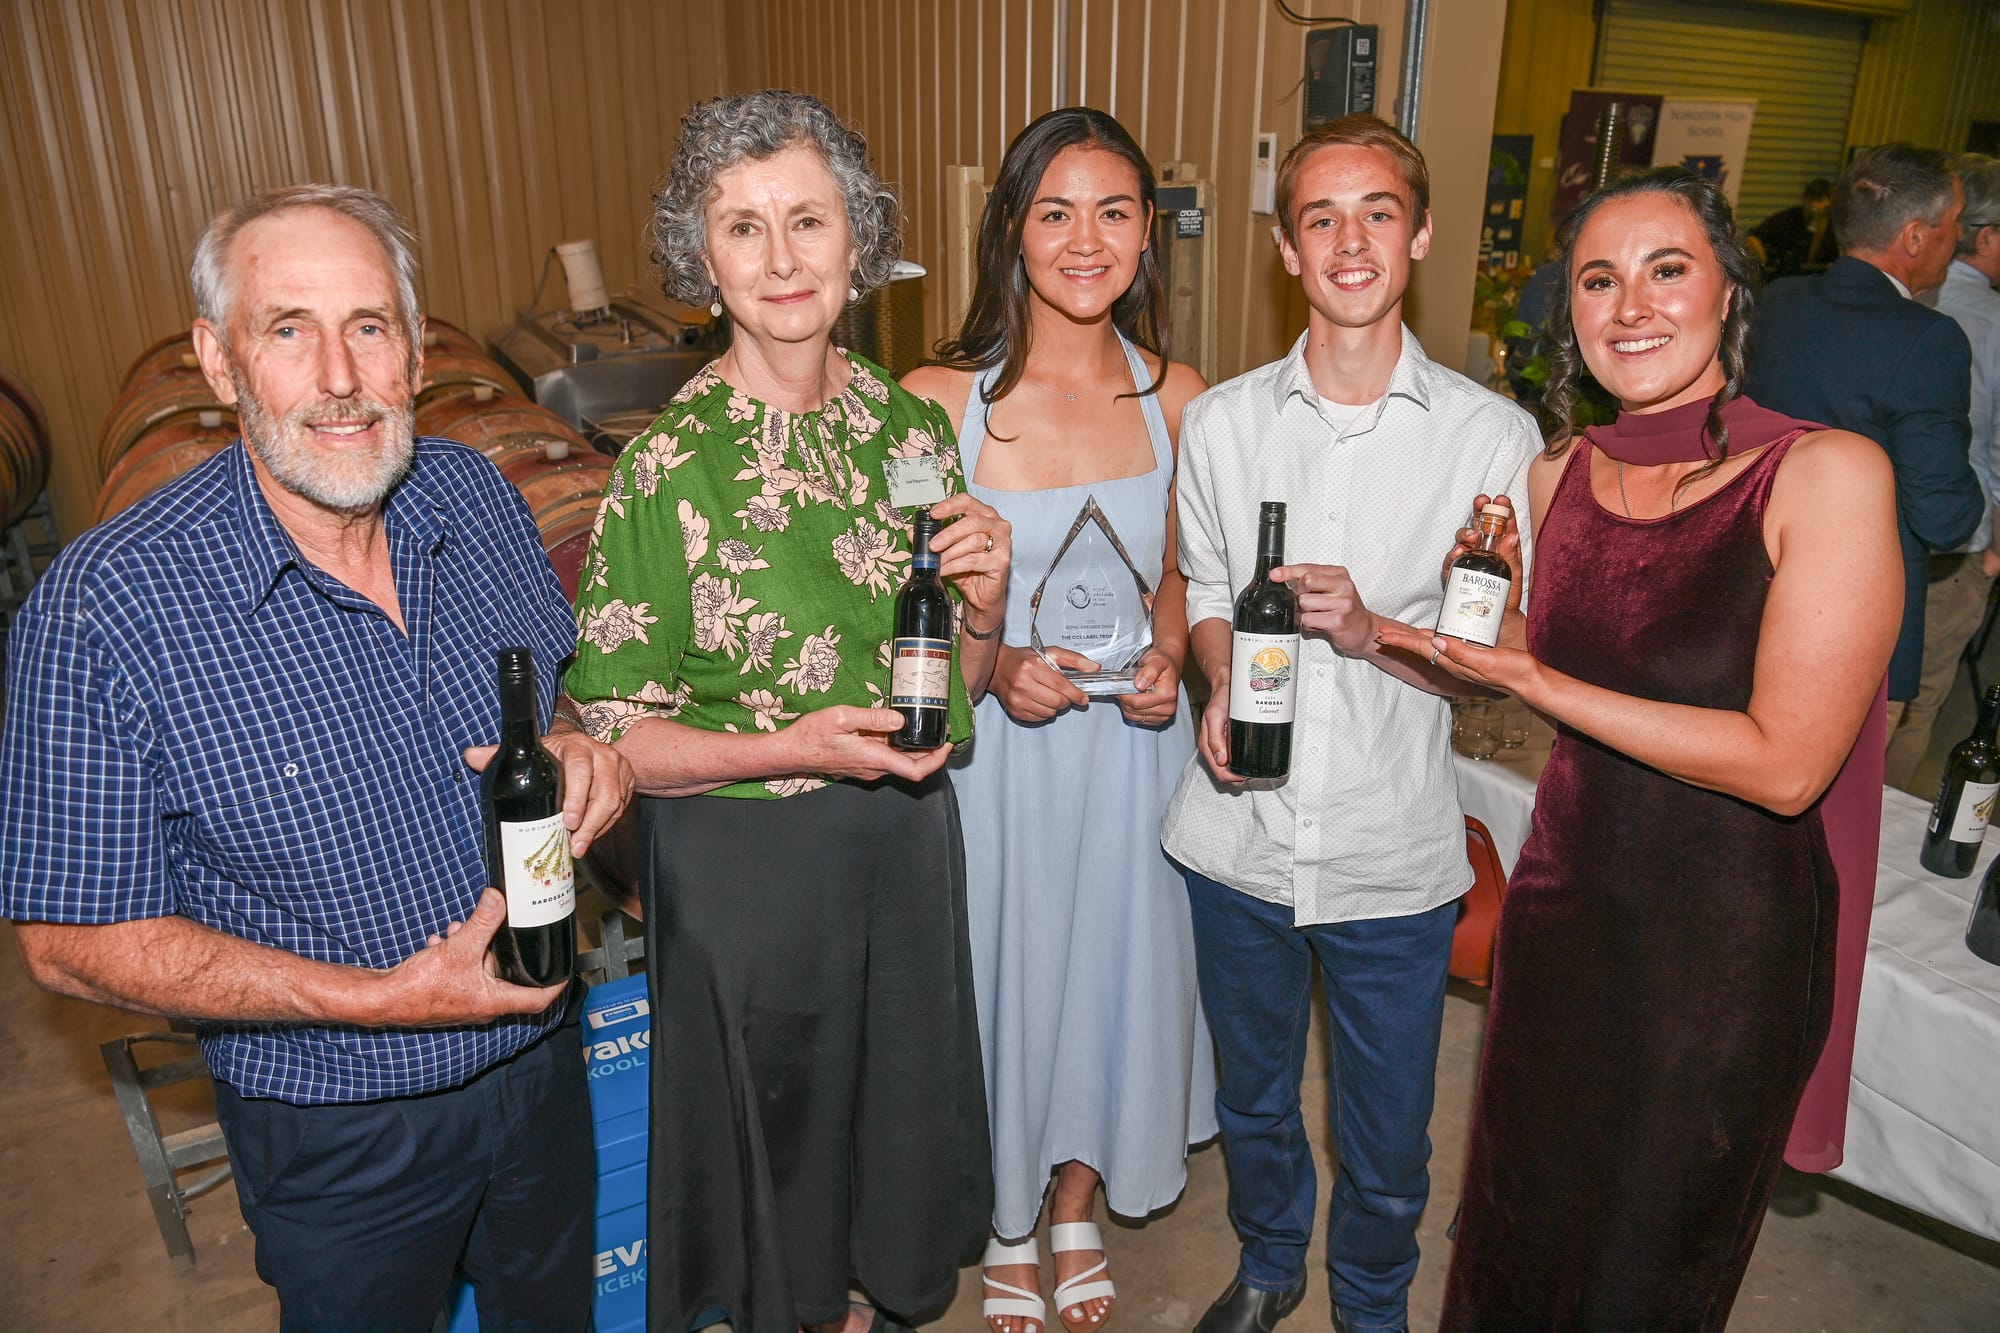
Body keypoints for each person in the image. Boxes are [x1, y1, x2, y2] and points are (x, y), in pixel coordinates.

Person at [0, 184, 633, 1330]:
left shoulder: (478, 498)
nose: (339, 378)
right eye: (289, 329)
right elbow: (70, 941)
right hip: (340, 1129)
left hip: (540, 1058)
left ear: (414, 347)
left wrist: (591, 752)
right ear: (219, 360)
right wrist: (374, 1000)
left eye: (369, 327)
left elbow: (559, 701)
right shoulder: (105, 608)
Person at [1378, 169, 1902, 1327]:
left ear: (1727, 292)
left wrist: (1533, 673)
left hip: (1722, 945)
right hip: (1565, 909)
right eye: (1596, 280)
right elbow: (1536, 655)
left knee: (1643, 1260)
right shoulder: (1558, 473)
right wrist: (1414, 635)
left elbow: (1782, 762)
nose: (1629, 306)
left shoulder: (1821, 475)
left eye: (1666, 270)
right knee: (1516, 1217)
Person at [562, 91, 1011, 1333]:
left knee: (885, 1119)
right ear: (699, 261)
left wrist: (987, 606)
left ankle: (859, 1302)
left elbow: (956, 689)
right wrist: (791, 744)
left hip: (900, 850)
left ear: (856, 241)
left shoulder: (908, 428)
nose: (779, 259)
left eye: (807, 221)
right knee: (780, 1143)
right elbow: (615, 745)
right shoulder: (666, 466)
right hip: (750, 863)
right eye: (743, 228)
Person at [1162, 115, 1541, 1333]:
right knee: (1256, 1100)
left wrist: (1377, 633)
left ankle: (1371, 1306)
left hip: (1391, 852)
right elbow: (1209, 600)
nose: (1349, 239)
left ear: (1420, 235)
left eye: (1376, 211)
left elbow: (1498, 671)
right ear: (1285, 248)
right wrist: (1219, 678)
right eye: (1319, 216)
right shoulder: (1221, 423)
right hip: (1237, 845)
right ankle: (1271, 1264)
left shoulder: (1491, 439)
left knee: (1386, 1132)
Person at [902, 107, 1216, 1333]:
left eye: (1114, 210)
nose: (1085, 239)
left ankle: (1079, 1191)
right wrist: (998, 661)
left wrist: (1175, 656)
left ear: (1147, 233)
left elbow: (1188, 569)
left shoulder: (1179, 396)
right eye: (1054, 211)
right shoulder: (935, 402)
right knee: (1001, 974)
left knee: (1114, 966)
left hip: (1131, 753)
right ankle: (1003, 1215)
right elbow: (907, 596)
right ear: (1011, 231)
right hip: (1002, 764)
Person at [1746, 144, 1978, 747]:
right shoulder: (1927, 338)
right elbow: (1944, 515)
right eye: (1954, 225)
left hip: (1749, 589)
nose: (1960, 240)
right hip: (1855, 622)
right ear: (1915, 237)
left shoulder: (1779, 300)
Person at [1889, 153, 2000, 791]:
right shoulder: (1980, 322)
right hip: (1951, 545)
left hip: (1883, 539)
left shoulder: (1900, 303)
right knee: (1914, 707)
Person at [1747, 177, 1835, 280]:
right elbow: (1753, 239)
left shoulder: (1835, 228)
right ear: (1805, 200)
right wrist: (1763, 263)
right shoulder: (1788, 219)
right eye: (1813, 200)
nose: (1815, 207)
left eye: (1821, 202)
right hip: (1784, 278)